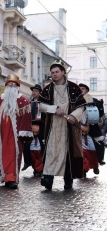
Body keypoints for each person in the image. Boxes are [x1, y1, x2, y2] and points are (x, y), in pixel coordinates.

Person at [38, 62, 86, 190]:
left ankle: (68, 180)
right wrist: (54, 109)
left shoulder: (74, 88)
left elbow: (81, 106)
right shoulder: (48, 89)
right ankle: (48, 179)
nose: (54, 74)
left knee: (68, 152)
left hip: (69, 127)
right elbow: (41, 106)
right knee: (51, 152)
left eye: (57, 72)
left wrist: (74, 116)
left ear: (63, 72)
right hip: (53, 126)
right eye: (52, 73)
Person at [0, 74, 33, 189]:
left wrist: (24, 132)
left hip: (15, 134)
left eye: (14, 85)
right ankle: (6, 176)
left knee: (13, 154)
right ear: (6, 86)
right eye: (9, 84)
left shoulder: (22, 100)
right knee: (3, 154)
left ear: (17, 87)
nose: (11, 86)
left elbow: (26, 117)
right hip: (2, 134)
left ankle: (11, 178)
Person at [78, 83, 105, 165]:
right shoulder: (76, 101)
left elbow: (100, 114)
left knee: (99, 142)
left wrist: (100, 107)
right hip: (79, 126)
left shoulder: (94, 100)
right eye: (79, 89)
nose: (81, 90)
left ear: (86, 90)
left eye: (83, 88)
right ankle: (82, 167)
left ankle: (100, 159)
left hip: (93, 126)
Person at [22, 84, 43, 171]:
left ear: (40, 93)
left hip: (40, 126)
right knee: (27, 146)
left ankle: (40, 169)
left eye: (36, 91)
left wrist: (39, 126)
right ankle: (28, 162)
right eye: (33, 91)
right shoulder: (29, 102)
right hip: (30, 126)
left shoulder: (43, 103)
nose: (34, 93)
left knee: (41, 149)